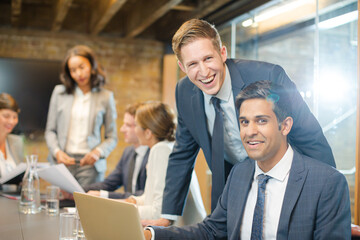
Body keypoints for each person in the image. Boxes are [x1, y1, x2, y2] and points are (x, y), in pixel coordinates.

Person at [158, 19, 335, 225]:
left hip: (285, 180)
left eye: (208, 58)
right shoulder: (184, 91)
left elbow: (309, 137)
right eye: (193, 64)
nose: (204, 72)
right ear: (182, 66)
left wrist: (331, 202)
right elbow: (182, 154)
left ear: (222, 53)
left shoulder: (269, 76)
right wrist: (167, 217)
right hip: (233, 187)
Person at [144, 80, 351, 240]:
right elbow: (211, 231)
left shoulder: (327, 183)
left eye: (261, 121)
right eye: (244, 122)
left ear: (285, 126)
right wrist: (152, 235)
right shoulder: (239, 173)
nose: (250, 132)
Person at [45, 45, 118, 187]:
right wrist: (57, 151)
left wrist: (98, 152)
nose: (78, 74)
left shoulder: (105, 97)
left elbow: (112, 137)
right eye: (73, 70)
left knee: (86, 208)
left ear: (92, 66)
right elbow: (50, 130)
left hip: (90, 166)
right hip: (62, 163)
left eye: (82, 67)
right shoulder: (59, 93)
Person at [125, 101, 206, 226]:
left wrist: (120, 210)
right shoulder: (165, 147)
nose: (134, 130)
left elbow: (158, 213)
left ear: (147, 133)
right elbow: (152, 198)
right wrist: (131, 201)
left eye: (136, 125)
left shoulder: (161, 150)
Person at [84, 103, 150, 199]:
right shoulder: (128, 152)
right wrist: (75, 191)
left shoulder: (154, 154)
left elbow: (145, 195)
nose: (122, 129)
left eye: (128, 125)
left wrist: (105, 195)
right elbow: (108, 184)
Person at [0, 93, 24, 182]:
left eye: (15, 117)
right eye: (6, 116)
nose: (11, 121)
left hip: (14, 195)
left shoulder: (16, 142)